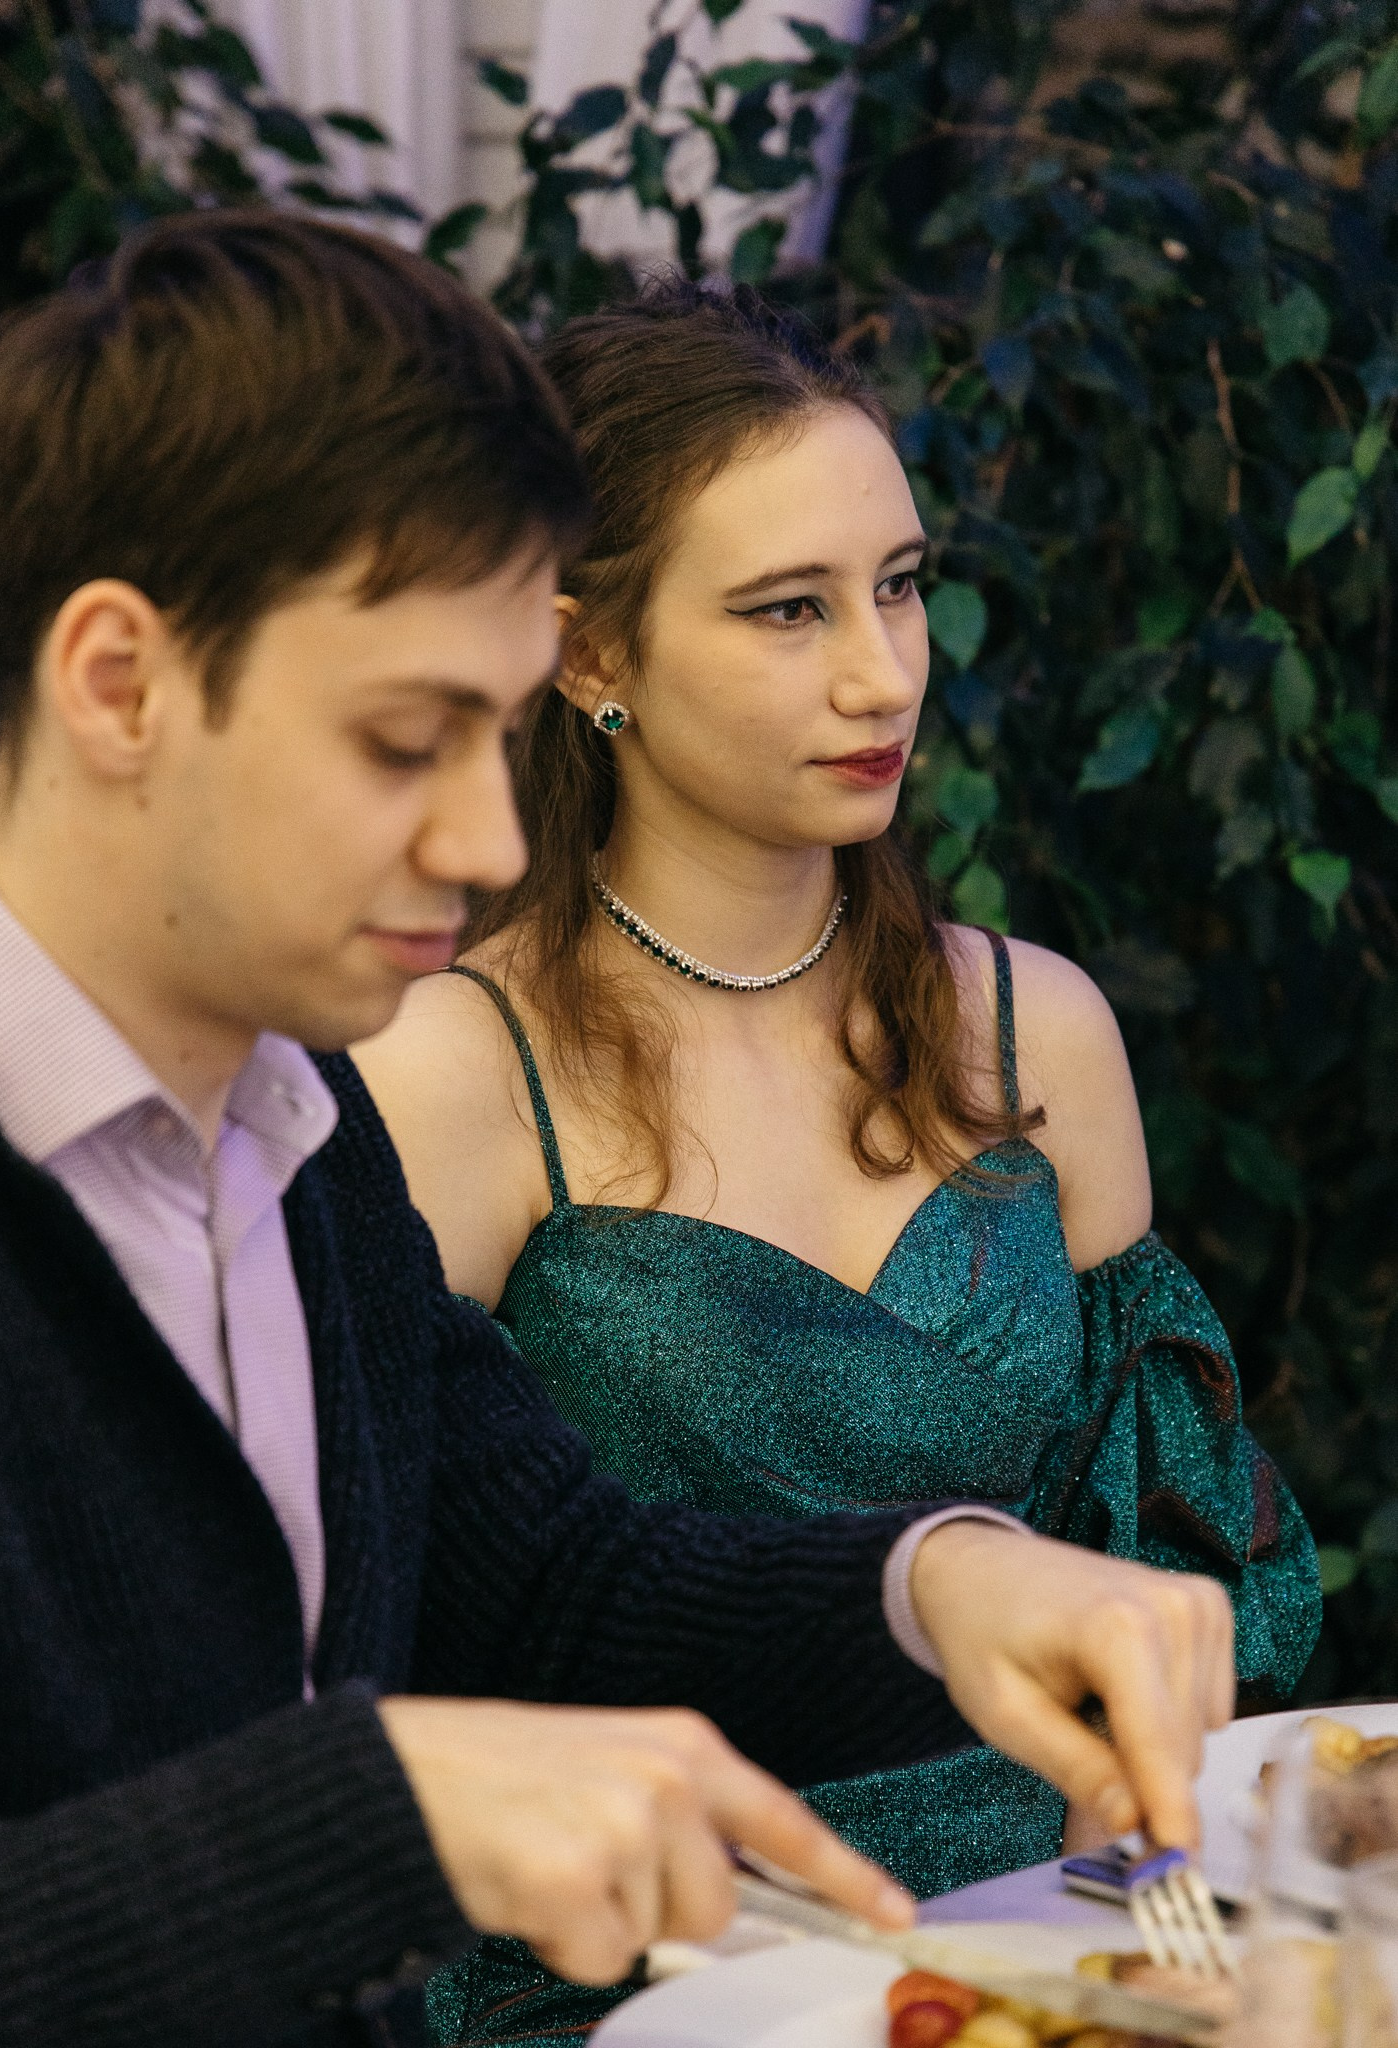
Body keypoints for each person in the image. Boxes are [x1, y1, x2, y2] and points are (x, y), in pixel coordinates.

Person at [0, 211, 1238, 2048]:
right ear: (120, 682)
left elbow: (546, 1587)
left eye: (499, 734)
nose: (484, 840)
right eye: (406, 740)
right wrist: (380, 1821)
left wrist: (935, 1579)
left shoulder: (293, 1121)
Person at [355, 280, 1321, 2046]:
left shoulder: (1034, 1034)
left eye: (901, 584)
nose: (883, 673)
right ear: (588, 656)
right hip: (648, 1984)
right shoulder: (452, 1069)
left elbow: (1178, 1574)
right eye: (788, 609)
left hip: (1066, 1960)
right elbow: (406, 1639)